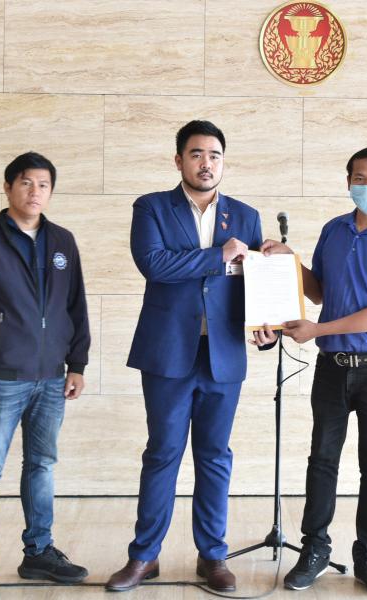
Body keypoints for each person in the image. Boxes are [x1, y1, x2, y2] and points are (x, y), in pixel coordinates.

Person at [106, 120, 272, 593]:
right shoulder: (151, 207)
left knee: (215, 456)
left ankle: (213, 557)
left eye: (215, 155)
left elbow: (255, 283)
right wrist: (219, 256)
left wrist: (267, 327)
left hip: (223, 354)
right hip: (168, 352)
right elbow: (154, 264)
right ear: (179, 160)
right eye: (197, 154)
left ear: (224, 162)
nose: (206, 163)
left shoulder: (246, 216)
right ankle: (144, 556)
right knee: (162, 453)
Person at [260, 147, 367, 595]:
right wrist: (290, 261)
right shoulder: (334, 231)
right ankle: (314, 549)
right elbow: (320, 293)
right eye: (359, 178)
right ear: (348, 181)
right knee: (322, 460)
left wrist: (318, 330)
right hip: (332, 367)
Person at [0, 152, 91, 600]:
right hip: (0, 379)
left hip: (52, 378)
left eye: (44, 184)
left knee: (42, 465)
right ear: (8, 187)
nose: (35, 192)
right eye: (26, 183)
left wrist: (77, 363)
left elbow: (76, 306)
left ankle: (39, 553)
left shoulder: (63, 241)